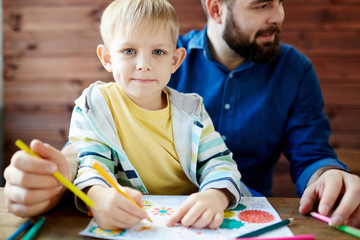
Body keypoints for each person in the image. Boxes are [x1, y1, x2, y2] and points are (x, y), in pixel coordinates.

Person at [4, 0, 360, 228]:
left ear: (174, 60)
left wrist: (329, 175)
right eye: (262, 4)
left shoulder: (194, 104)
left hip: (223, 221)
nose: (279, 14)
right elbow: (88, 151)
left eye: (158, 53)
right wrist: (85, 185)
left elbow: (307, 155)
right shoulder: (101, 98)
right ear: (216, 8)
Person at [71, 0, 243, 230]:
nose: (144, 64)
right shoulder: (95, 105)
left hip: (189, 224)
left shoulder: (192, 111)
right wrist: (98, 197)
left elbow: (219, 162)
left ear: (175, 60)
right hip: (132, 224)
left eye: (158, 52)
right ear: (107, 58)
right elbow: (92, 164)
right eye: (129, 51)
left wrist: (215, 196)